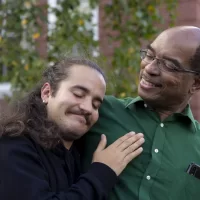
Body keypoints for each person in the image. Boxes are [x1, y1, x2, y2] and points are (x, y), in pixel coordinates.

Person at [0, 57, 145, 200]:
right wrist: (103, 172)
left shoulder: (80, 152)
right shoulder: (13, 146)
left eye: (96, 105)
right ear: (47, 92)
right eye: (78, 94)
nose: (87, 108)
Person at [82, 26, 200, 200]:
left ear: (196, 83)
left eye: (169, 65)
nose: (149, 68)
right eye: (150, 55)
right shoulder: (99, 110)